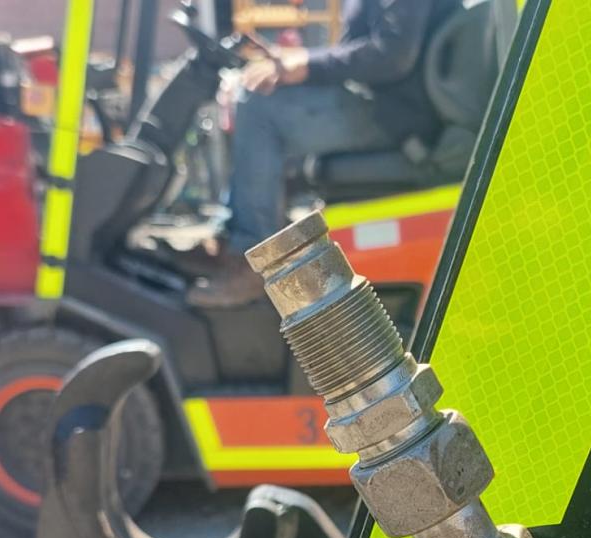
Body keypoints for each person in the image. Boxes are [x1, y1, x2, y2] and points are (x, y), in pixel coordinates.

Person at [189, 0, 459, 307]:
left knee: (260, 108)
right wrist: (293, 61)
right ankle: (232, 239)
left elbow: (393, 56)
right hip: (375, 99)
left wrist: (307, 64)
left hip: (394, 113)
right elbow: (356, 48)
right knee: (256, 92)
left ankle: (255, 260)